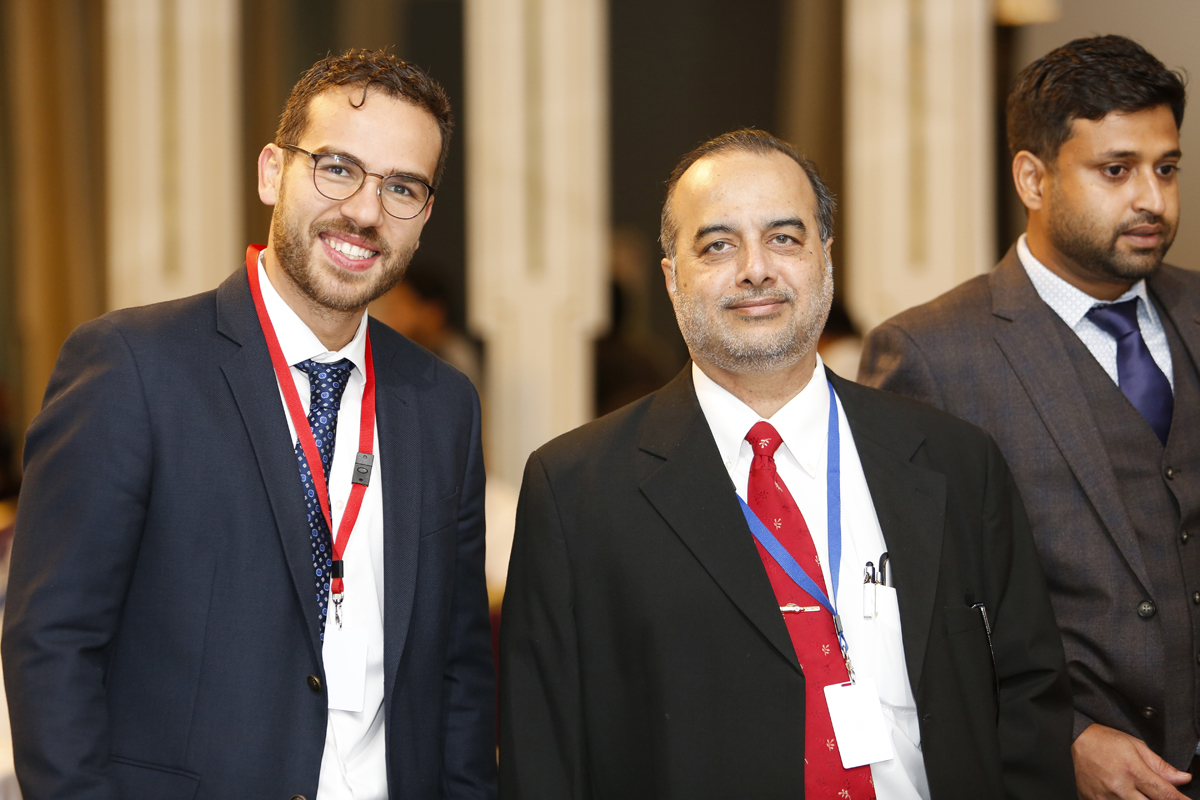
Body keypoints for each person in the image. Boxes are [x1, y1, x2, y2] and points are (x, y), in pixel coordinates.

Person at [499, 129, 1074, 800]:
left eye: (783, 238)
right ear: (672, 277)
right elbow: (545, 751)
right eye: (718, 245)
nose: (756, 269)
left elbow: (1028, 703)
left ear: (825, 257)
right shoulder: (576, 492)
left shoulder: (956, 463)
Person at [2, 50, 495, 800]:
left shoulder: (442, 404)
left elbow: (459, 670)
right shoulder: (133, 368)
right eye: (337, 168)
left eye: (401, 187)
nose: (365, 212)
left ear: (424, 217)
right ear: (272, 172)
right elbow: (53, 643)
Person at [858, 34, 1200, 800]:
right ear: (1033, 178)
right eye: (1116, 170)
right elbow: (915, 610)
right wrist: (1061, 737)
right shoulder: (933, 354)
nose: (1152, 199)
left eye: (1167, 168)